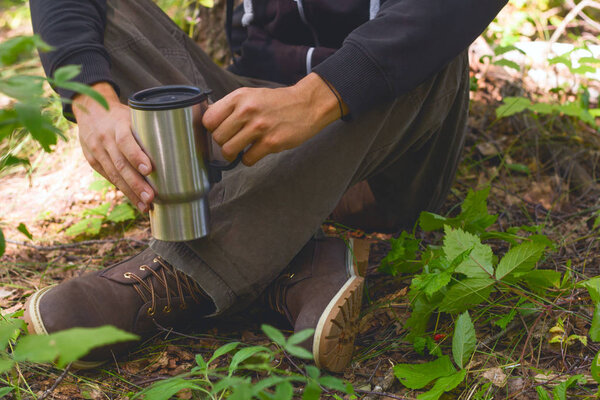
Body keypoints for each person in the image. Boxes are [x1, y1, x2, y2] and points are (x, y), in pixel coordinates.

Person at [25, 0, 507, 371]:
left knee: (431, 40)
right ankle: (299, 261)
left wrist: (316, 98)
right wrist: (91, 100)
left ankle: (180, 272)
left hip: (383, 149)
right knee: (109, 13)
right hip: (247, 127)